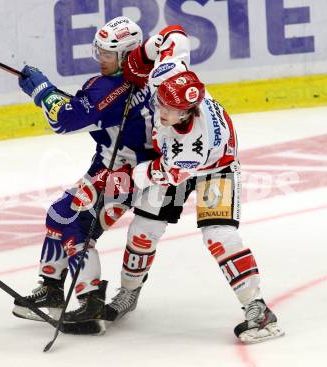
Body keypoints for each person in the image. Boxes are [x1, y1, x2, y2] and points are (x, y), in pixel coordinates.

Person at [104, 25, 284, 343]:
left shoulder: (190, 149)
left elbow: (165, 173)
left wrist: (127, 176)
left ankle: (257, 309)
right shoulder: (170, 72)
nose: (161, 110)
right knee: (142, 231)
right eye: (161, 102)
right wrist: (142, 58)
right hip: (176, 163)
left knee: (220, 236)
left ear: (187, 112)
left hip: (216, 169)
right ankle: (128, 293)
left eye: (170, 111)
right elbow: (175, 34)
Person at [13, 16, 160, 334]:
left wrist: (42, 91)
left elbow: (65, 120)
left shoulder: (110, 86)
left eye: (108, 54)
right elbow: (89, 110)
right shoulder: (147, 76)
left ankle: (91, 303)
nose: (101, 59)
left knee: (73, 223)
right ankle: (52, 288)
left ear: (128, 55)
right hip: (121, 169)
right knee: (59, 216)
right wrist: (64, 99)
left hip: (121, 174)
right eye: (100, 52)